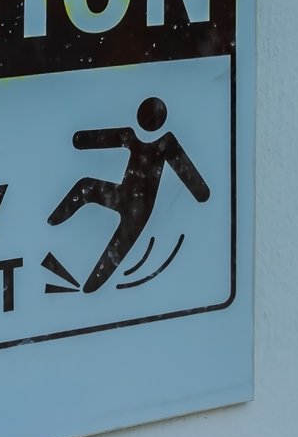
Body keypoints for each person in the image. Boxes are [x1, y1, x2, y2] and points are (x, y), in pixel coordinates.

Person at [47, 97, 210, 291]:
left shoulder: (167, 143)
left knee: (118, 246)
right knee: (87, 186)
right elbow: (90, 139)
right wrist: (80, 139)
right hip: (122, 193)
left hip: (140, 209)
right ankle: (52, 222)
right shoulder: (131, 135)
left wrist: (201, 193)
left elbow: (195, 182)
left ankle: (93, 284)